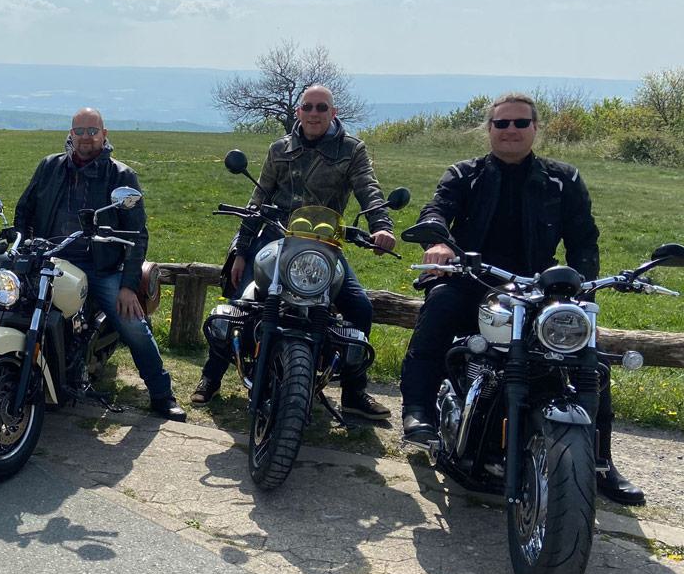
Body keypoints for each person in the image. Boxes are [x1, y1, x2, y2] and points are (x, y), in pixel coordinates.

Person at [398, 92, 644, 505]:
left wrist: (581, 293)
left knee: (589, 355)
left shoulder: (563, 179)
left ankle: (600, 462)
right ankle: (418, 410)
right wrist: (438, 242)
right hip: (473, 278)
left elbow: (584, 240)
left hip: (536, 286)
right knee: (439, 309)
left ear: (535, 128)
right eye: (502, 123)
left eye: (520, 123)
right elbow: (436, 209)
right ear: (489, 129)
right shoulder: (465, 174)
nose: (510, 130)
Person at [192, 84, 396, 420]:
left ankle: (354, 392)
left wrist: (382, 226)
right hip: (276, 238)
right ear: (299, 111)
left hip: (323, 245)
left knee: (359, 306)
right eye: (308, 107)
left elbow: (369, 189)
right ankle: (211, 376)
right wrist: (242, 249)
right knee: (240, 301)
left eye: (321, 107)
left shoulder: (352, 150)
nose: (314, 113)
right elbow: (258, 199)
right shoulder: (280, 149)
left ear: (333, 112)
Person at [13, 108, 186, 422]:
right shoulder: (50, 166)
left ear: (104, 134)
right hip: (53, 258)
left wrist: (128, 287)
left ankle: (162, 394)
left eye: (92, 131)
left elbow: (137, 235)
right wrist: (21, 243)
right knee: (14, 303)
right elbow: (24, 210)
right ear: (71, 133)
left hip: (100, 266)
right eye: (79, 131)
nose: (85, 137)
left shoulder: (121, 175)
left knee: (133, 324)